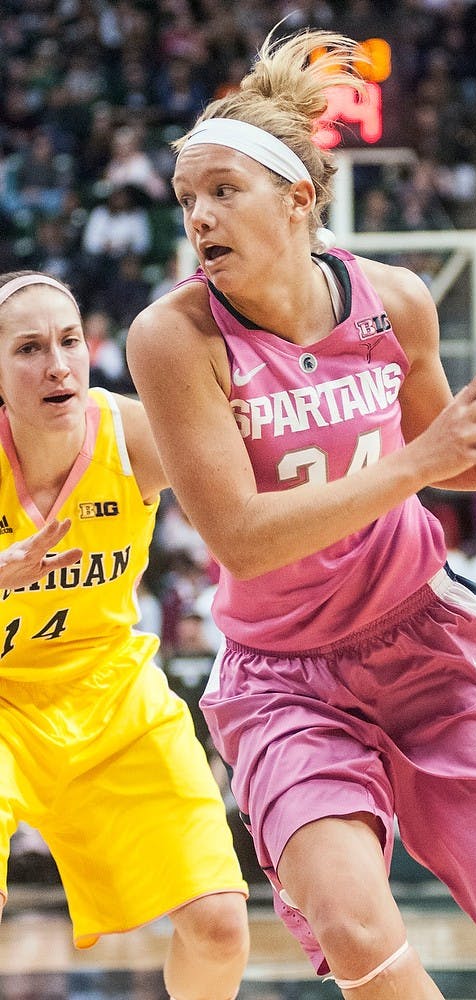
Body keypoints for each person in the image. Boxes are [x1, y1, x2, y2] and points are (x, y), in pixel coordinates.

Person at [126, 27, 476, 1000]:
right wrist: (424, 457)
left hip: (426, 643)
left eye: (222, 191)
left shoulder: (396, 302)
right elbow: (238, 532)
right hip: (282, 679)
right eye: (186, 198)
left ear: (299, 197)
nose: (197, 215)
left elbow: (450, 457)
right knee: (356, 929)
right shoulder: (173, 335)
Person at [0, 271, 249, 1000]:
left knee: (218, 923)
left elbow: (253, 485)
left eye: (70, 341)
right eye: (28, 348)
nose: (57, 365)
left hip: (111, 694)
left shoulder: (131, 432)